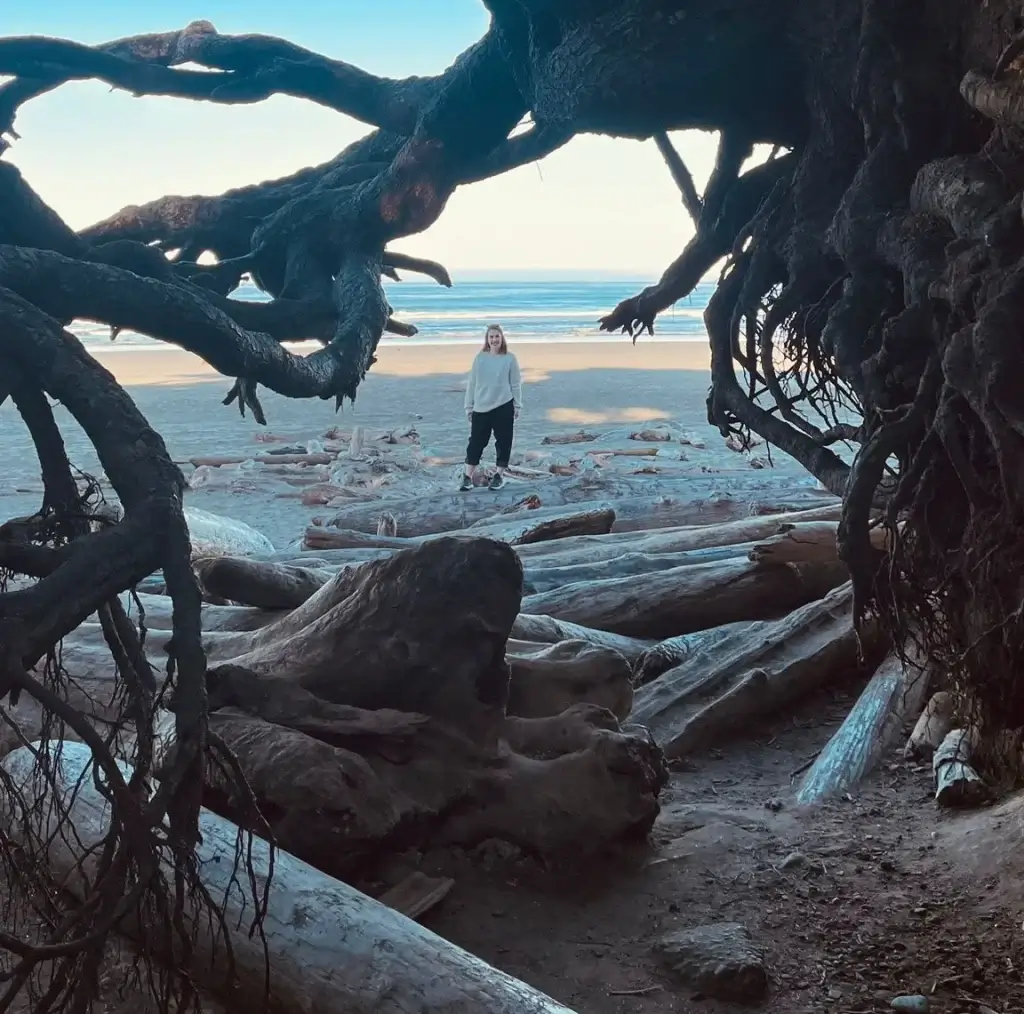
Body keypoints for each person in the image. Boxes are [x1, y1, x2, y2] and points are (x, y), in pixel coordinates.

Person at [461, 323, 522, 491]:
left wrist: (517, 405)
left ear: (502, 338)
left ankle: (499, 475)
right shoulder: (480, 358)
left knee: (503, 442)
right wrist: (469, 407)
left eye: (497, 336)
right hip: (481, 407)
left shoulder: (510, 358)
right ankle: (467, 477)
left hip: (504, 405)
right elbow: (472, 384)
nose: (494, 339)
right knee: (476, 443)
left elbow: (515, 384)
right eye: (491, 337)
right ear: (487, 340)